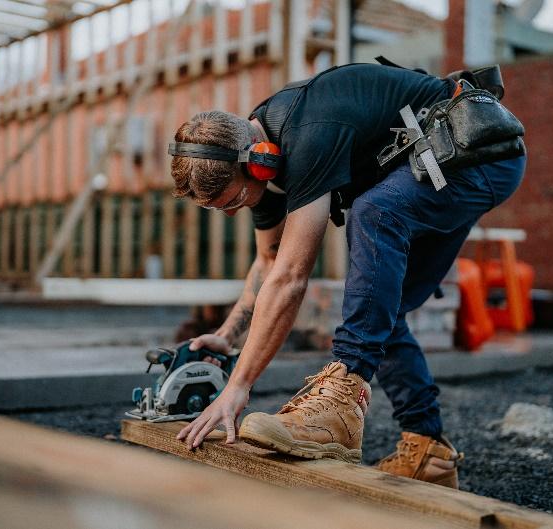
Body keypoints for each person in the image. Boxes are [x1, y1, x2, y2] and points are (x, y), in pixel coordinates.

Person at [170, 63, 526, 489]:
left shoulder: (308, 132)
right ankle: (428, 449)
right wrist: (228, 336)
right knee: (380, 305)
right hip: (438, 162)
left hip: (479, 150)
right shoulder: (259, 170)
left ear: (260, 163)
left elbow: (291, 277)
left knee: (375, 212)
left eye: (232, 201)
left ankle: (340, 403)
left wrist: (238, 387)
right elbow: (268, 264)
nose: (233, 212)